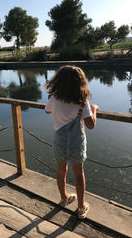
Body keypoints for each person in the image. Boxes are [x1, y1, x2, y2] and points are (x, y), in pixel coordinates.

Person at [45, 65, 99, 219]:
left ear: (59, 81)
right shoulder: (83, 101)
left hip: (59, 141)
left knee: (61, 170)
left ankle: (64, 198)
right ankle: (81, 207)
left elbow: (47, 110)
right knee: (78, 173)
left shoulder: (54, 98)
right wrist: (94, 109)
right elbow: (91, 125)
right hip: (76, 143)